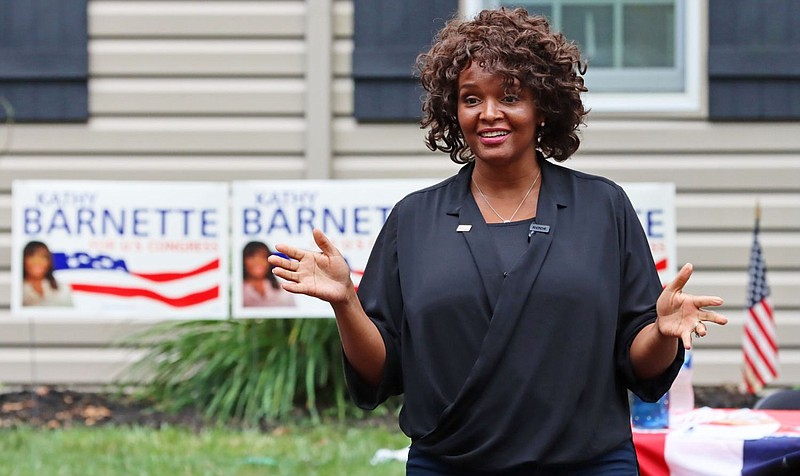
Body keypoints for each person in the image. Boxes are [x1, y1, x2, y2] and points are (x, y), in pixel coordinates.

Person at [268, 8, 727, 475]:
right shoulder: (415, 219)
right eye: (471, 99)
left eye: (510, 96)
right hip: (450, 463)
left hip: (587, 463)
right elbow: (381, 373)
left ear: (543, 105)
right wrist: (346, 302)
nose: (489, 114)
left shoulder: (602, 208)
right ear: (454, 110)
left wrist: (662, 334)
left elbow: (642, 368)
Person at [242, 241, 294, 307]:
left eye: (263, 257)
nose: (258, 262)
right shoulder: (239, 291)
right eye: (252, 257)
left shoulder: (284, 290)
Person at [22, 240, 73, 307]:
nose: (38, 262)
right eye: (32, 256)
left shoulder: (63, 289)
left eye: (43, 257)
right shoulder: (18, 289)